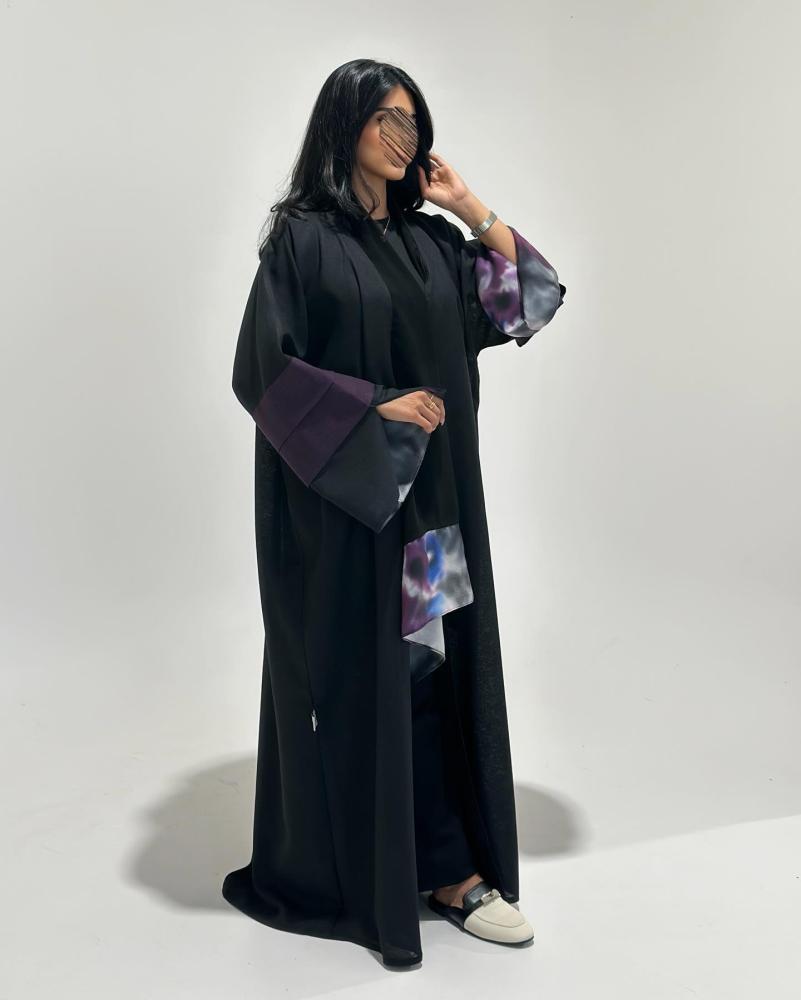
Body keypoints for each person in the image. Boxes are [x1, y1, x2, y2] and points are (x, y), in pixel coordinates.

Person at [222, 58, 566, 968]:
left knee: (426, 673)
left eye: (412, 121)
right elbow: (262, 372)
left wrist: (469, 207)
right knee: (357, 681)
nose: (401, 137)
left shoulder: (431, 244)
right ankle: (389, 868)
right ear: (344, 127)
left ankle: (444, 866)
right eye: (384, 118)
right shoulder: (302, 241)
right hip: (348, 514)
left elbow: (531, 299)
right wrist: (375, 404)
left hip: (432, 515)